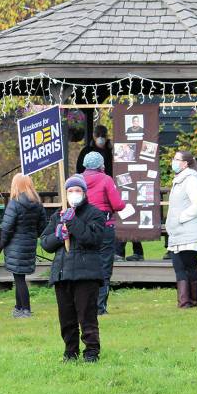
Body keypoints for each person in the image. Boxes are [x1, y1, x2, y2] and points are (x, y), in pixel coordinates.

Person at [40, 175, 106, 362]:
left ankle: (91, 352)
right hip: (63, 273)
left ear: (84, 193)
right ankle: (70, 352)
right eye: (70, 191)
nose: (74, 194)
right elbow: (45, 243)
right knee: (66, 319)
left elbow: (92, 239)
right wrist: (58, 236)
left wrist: (73, 223)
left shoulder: (95, 214)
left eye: (77, 191)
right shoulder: (57, 215)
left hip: (86, 273)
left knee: (87, 316)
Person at [82, 151, 125, 316]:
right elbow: (117, 204)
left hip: (83, 227)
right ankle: (100, 307)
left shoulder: (78, 179)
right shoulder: (106, 179)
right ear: (101, 165)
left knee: (85, 264)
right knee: (104, 265)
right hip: (104, 225)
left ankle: (85, 304)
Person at [0, 174, 46, 318]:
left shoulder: (14, 203)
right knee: (19, 277)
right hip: (29, 243)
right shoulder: (37, 204)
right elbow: (43, 226)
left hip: (15, 245)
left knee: (19, 279)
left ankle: (25, 309)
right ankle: (18, 307)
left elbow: (7, 228)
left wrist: (2, 243)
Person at [166, 151, 197, 308]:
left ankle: (192, 302)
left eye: (177, 159)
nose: (173, 162)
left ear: (185, 163)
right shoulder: (178, 180)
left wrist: (181, 218)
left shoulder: (191, 180)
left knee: (189, 266)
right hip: (177, 232)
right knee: (179, 267)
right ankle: (184, 302)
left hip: (189, 231)